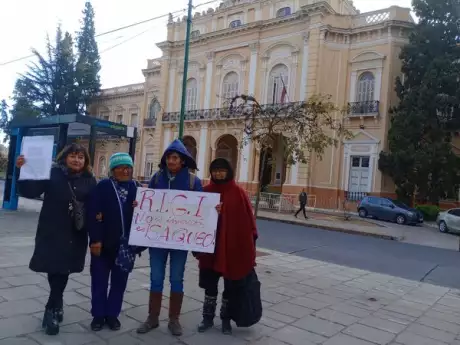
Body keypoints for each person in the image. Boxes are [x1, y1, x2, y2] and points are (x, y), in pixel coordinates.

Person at [15, 144, 97, 336]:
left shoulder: (89, 180)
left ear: (85, 161)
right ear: (65, 157)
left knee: (63, 269)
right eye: (73, 156)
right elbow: (30, 192)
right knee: (55, 268)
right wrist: (22, 170)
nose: (77, 160)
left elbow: (96, 205)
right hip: (52, 230)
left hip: (75, 233)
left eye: (81, 157)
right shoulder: (51, 173)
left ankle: (53, 306)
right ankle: (54, 305)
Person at [136, 139, 203, 337]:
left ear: (183, 161)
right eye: (169, 158)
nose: (171, 161)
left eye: (175, 158)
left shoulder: (193, 182)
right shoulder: (156, 179)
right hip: (158, 239)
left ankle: (174, 319)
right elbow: (147, 205)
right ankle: (153, 317)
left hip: (180, 241)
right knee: (155, 278)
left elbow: (202, 211)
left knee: (176, 279)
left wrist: (213, 209)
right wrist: (138, 206)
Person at [194, 158, 258, 335]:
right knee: (210, 286)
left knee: (230, 287)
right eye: (215, 170)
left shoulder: (239, 193)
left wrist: (249, 246)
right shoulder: (205, 191)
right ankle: (207, 318)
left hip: (232, 248)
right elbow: (195, 218)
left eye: (222, 170)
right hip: (211, 249)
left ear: (229, 171)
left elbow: (248, 222)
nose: (218, 173)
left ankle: (226, 319)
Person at [87, 152, 144, 331]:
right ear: (112, 170)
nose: (125, 171)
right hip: (103, 244)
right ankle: (98, 315)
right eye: (120, 167)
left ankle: (112, 315)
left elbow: (146, 216)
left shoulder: (138, 188)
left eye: (128, 167)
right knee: (99, 281)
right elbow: (93, 213)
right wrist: (95, 240)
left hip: (126, 247)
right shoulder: (103, 186)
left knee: (119, 283)